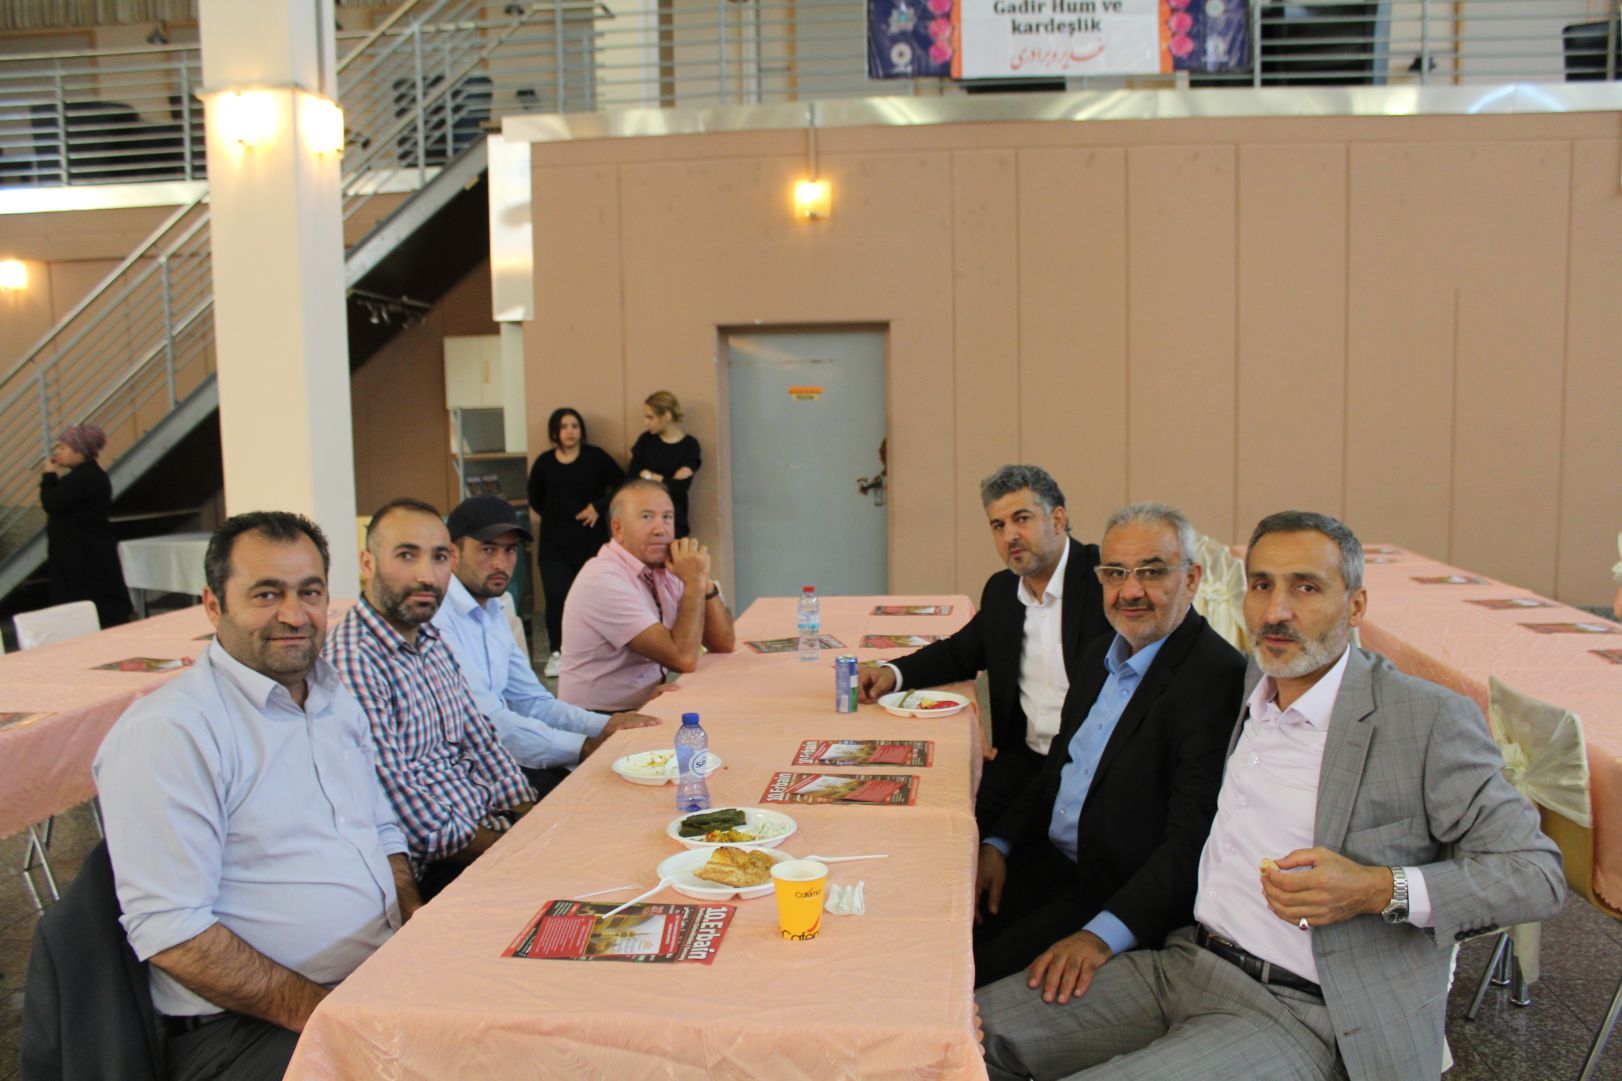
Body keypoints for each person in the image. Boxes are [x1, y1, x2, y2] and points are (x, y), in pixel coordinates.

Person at [977, 510, 1566, 1081]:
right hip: (1185, 963)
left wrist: (1375, 888)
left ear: (1356, 605)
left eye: (1306, 587)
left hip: (1301, 1010)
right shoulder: (1249, 685)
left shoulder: (1423, 718)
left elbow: (1536, 873)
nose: (1277, 611)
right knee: (965, 1035)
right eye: (1262, 585)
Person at [93, 511, 419, 1081]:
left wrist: (416, 929)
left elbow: (381, 830)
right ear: (213, 605)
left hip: (368, 984)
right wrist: (332, 1020)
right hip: (248, 1027)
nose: (293, 614)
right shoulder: (172, 732)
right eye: (266, 594)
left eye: (309, 592)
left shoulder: (332, 698)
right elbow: (174, 933)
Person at [973, 502, 1245, 988]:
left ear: (1191, 578)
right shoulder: (1102, 652)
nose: (1130, 591)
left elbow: (1193, 844)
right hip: (1047, 862)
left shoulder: (1216, 679)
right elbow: (1057, 768)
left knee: (976, 978)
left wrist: (1101, 936)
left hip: (1114, 896)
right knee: (940, 927)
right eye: (1115, 573)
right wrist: (999, 843)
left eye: (1152, 572)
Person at [857, 465, 1112, 826]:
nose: (1010, 536)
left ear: (1058, 520)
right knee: (954, 824)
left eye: (1021, 519)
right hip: (1026, 759)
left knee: (1020, 845)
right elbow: (961, 652)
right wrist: (892, 673)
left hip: (1095, 766)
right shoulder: (1003, 590)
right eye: (998, 525)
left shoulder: (1105, 580)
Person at [326, 498, 536, 898]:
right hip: (444, 865)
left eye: (439, 557)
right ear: (367, 564)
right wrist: (520, 851)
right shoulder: (355, 658)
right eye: (407, 555)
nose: (426, 576)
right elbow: (408, 810)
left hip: (491, 829)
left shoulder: (429, 637)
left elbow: (481, 738)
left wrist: (535, 820)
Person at [432, 494, 660, 796]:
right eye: (487, 550)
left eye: (510, 550)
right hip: (460, 777)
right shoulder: (437, 617)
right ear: (453, 553)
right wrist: (584, 745)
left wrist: (605, 726)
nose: (500, 563)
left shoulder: (496, 606)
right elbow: (485, 722)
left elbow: (533, 701)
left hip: (498, 758)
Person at [558, 479, 736, 712]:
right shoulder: (602, 578)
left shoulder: (667, 567)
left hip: (641, 705)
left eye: (667, 517)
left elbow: (723, 643)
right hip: (596, 719)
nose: (660, 529)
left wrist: (703, 581)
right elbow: (683, 658)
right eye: (646, 517)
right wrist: (694, 583)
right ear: (618, 529)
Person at [526, 407, 624, 678]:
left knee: (595, 597)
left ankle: (599, 653)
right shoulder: (545, 462)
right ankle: (558, 653)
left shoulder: (596, 457)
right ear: (555, 432)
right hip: (554, 543)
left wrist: (599, 507)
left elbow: (622, 484)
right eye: (564, 426)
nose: (570, 431)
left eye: (574, 426)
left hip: (590, 541)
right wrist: (557, 515)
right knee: (556, 596)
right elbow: (535, 498)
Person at [39, 424, 132, 627]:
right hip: (82, 550)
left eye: (63, 448)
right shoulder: (84, 476)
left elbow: (51, 503)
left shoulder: (84, 477)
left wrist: (48, 476)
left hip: (83, 554)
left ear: (79, 451)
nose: (57, 452)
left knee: (88, 602)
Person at [627, 389, 702, 539]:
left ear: (667, 416)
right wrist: (668, 481)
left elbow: (681, 486)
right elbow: (632, 478)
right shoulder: (645, 440)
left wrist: (651, 477)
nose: (645, 422)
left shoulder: (690, 445)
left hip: (675, 518)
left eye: (650, 417)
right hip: (644, 515)